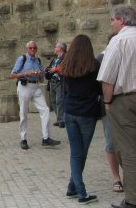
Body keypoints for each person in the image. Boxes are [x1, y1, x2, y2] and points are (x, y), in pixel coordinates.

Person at [98, 5, 136, 208]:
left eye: (112, 20)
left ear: (121, 20)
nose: (111, 23)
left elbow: (107, 78)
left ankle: (132, 199)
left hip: (125, 99)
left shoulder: (118, 40)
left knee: (128, 150)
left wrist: (107, 102)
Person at [59, 34, 101, 204]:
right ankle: (81, 192)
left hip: (70, 111)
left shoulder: (67, 65)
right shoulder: (94, 66)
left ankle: (72, 187)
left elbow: (65, 88)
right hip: (87, 113)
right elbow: (98, 88)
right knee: (79, 154)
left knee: (77, 153)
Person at [10, 41, 60, 150]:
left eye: (34, 48)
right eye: (31, 48)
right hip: (25, 86)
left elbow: (42, 77)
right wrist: (26, 74)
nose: (33, 50)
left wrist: (41, 74)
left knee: (45, 110)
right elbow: (13, 74)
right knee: (23, 113)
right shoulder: (22, 59)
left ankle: (46, 138)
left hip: (36, 86)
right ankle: (23, 139)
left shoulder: (38, 60)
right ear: (27, 49)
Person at [97, 33, 124, 194]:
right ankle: (116, 178)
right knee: (111, 142)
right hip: (109, 105)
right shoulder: (101, 58)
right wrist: (106, 102)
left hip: (123, 103)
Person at [45, 42, 67, 128]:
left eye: (56, 47)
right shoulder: (55, 59)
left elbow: (65, 69)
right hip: (52, 82)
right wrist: (47, 71)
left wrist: (55, 70)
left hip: (60, 82)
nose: (54, 48)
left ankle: (62, 120)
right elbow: (51, 69)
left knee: (60, 102)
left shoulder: (65, 58)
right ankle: (59, 118)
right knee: (53, 101)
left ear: (60, 49)